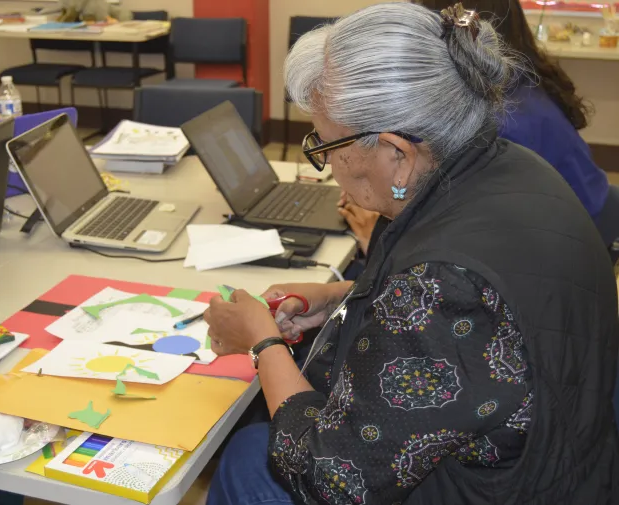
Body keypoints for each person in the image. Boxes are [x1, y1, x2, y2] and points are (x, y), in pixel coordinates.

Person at [203, 3, 619, 504]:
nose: (328, 164)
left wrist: (262, 342)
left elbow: (334, 480)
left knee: (247, 457)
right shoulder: (503, 165)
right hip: (566, 454)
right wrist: (342, 295)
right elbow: (485, 305)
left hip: (510, 489)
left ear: (397, 154)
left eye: (330, 147)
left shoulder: (447, 284)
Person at [341, 0, 619, 259]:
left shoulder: (496, 124)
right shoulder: (518, 85)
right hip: (590, 215)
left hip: (571, 246)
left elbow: (464, 244)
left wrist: (378, 243)